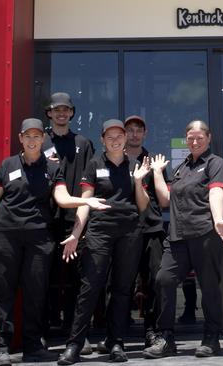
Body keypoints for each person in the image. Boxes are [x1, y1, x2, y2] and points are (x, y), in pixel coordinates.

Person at [0, 118, 109, 366]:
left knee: (35, 294)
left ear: (43, 139)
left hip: (39, 240)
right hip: (4, 237)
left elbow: (62, 199)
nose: (32, 140)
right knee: (4, 294)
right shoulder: (8, 165)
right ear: (20, 138)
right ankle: (1, 347)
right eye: (27, 136)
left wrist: (85, 201)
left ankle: (32, 347)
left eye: (36, 136)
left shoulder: (52, 169)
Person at [57, 119, 150, 365]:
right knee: (90, 288)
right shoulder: (94, 164)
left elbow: (142, 206)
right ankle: (74, 345)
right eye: (110, 136)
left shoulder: (136, 164)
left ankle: (116, 342)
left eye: (119, 135)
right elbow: (85, 201)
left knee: (122, 290)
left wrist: (139, 181)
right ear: (102, 140)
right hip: (99, 231)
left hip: (129, 232)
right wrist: (77, 234)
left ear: (124, 138)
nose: (116, 140)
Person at [143, 120, 223, 359]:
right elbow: (165, 200)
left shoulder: (217, 164)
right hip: (178, 236)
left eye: (199, 137)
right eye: (190, 138)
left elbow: (216, 192)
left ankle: (212, 337)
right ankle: (166, 338)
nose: (194, 141)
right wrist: (156, 172)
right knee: (164, 279)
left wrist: (217, 219)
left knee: (209, 287)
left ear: (209, 137)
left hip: (205, 234)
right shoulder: (182, 167)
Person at [95, 115, 168, 353]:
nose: (135, 134)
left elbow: (162, 197)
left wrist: (156, 173)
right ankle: (113, 335)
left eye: (139, 130)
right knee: (116, 284)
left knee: (153, 282)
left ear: (144, 134)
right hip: (121, 231)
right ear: (124, 135)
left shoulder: (152, 161)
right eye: (130, 130)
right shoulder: (112, 161)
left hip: (150, 228)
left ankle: (153, 333)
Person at [43, 92, 95, 345]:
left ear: (72, 113)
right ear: (49, 113)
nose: (61, 113)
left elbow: (90, 184)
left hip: (75, 218)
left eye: (66, 109)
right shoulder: (39, 141)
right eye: (56, 110)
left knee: (77, 279)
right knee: (43, 276)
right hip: (45, 219)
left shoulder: (83, 143)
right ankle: (42, 331)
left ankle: (76, 334)